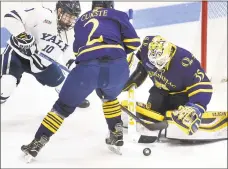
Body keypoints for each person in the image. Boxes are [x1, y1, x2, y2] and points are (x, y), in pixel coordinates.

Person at [21, 1, 141, 162]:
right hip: (118, 69)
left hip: (88, 70)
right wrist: (116, 52)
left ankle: (37, 143)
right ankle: (116, 132)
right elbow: (134, 43)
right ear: (110, 5)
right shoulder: (119, 15)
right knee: (109, 97)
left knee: (62, 108)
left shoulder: (81, 20)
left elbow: (78, 51)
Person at [0, 1, 90, 108]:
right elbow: (10, 17)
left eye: (73, 17)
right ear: (60, 11)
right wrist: (23, 36)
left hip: (41, 63)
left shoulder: (71, 32)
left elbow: (69, 55)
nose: (70, 21)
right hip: (17, 54)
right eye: (68, 16)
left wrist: (76, 68)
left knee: (61, 82)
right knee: (7, 84)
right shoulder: (41, 15)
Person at [122, 35, 213, 136]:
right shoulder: (146, 46)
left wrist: (196, 106)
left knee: (179, 114)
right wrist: (131, 73)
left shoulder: (185, 62)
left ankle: (184, 114)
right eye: (154, 62)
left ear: (169, 53)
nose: (158, 65)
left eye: (161, 61)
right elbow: (139, 61)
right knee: (154, 109)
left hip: (181, 96)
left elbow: (202, 85)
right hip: (159, 91)